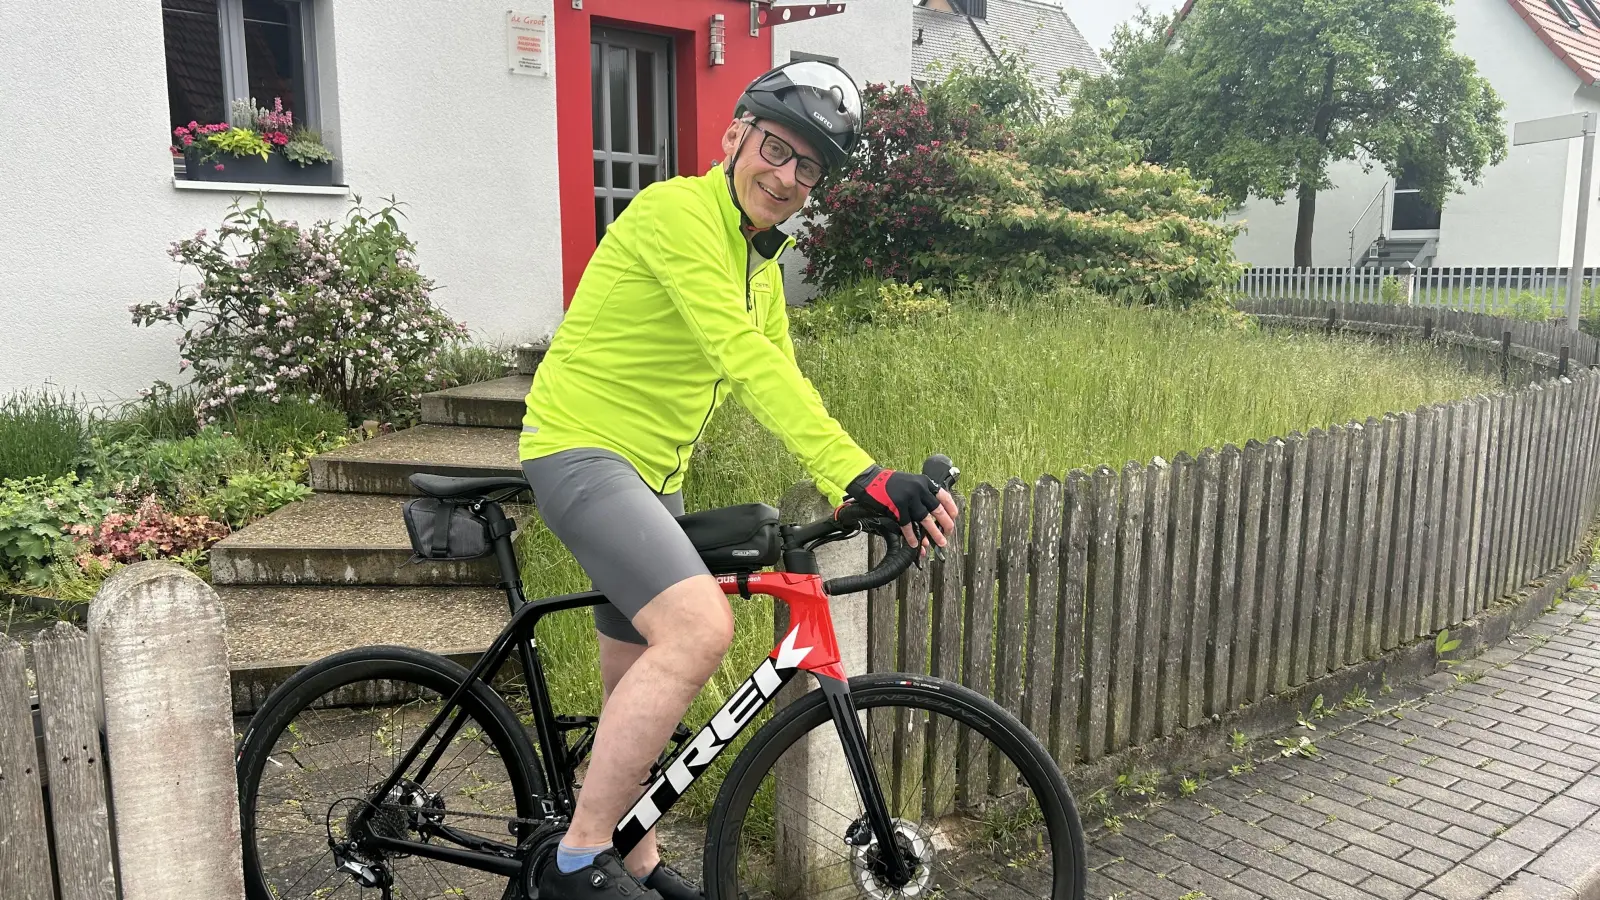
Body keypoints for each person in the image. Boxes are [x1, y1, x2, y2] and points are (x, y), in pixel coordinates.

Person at [520, 60, 959, 900]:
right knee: (698, 631)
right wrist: (863, 470)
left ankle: (635, 855)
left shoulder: (762, 262)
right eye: (775, 148)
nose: (787, 176)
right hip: (580, 449)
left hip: (652, 475)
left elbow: (783, 380)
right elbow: (743, 360)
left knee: (639, 684)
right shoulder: (676, 213)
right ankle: (577, 863)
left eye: (809, 167)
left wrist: (847, 488)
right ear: (734, 138)